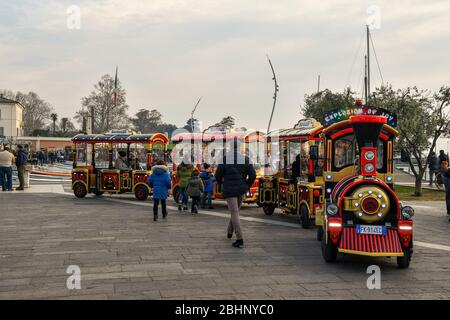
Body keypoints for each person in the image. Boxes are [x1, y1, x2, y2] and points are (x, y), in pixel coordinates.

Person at [215, 141, 256, 248]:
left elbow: (218, 175)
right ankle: (229, 231)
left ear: (230, 147)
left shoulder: (225, 159)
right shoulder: (246, 159)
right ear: (240, 147)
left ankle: (239, 238)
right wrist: (247, 185)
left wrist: (221, 183)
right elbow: (253, 175)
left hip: (229, 189)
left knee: (234, 212)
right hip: (241, 189)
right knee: (235, 211)